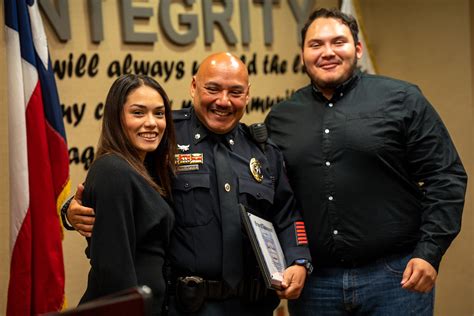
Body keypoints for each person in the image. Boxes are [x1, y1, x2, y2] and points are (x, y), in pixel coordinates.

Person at [63, 52, 312, 315]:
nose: (223, 101)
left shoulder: (263, 152)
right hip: (186, 305)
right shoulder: (163, 139)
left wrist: (298, 260)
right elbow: (116, 185)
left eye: (235, 92)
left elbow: (287, 214)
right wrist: (70, 210)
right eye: (213, 89)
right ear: (194, 87)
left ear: (248, 94)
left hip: (251, 305)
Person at [265, 7, 468, 316]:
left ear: (357, 49)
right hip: (315, 284)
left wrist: (430, 252)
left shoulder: (402, 99)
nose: (327, 52)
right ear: (303, 54)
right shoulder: (280, 119)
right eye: (316, 44)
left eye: (339, 42)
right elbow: (279, 199)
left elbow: (446, 176)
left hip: (395, 278)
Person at [76, 74, 176, 315]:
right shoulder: (113, 171)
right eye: (138, 113)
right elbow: (113, 272)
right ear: (116, 117)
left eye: (159, 113)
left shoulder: (145, 169)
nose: (152, 123)